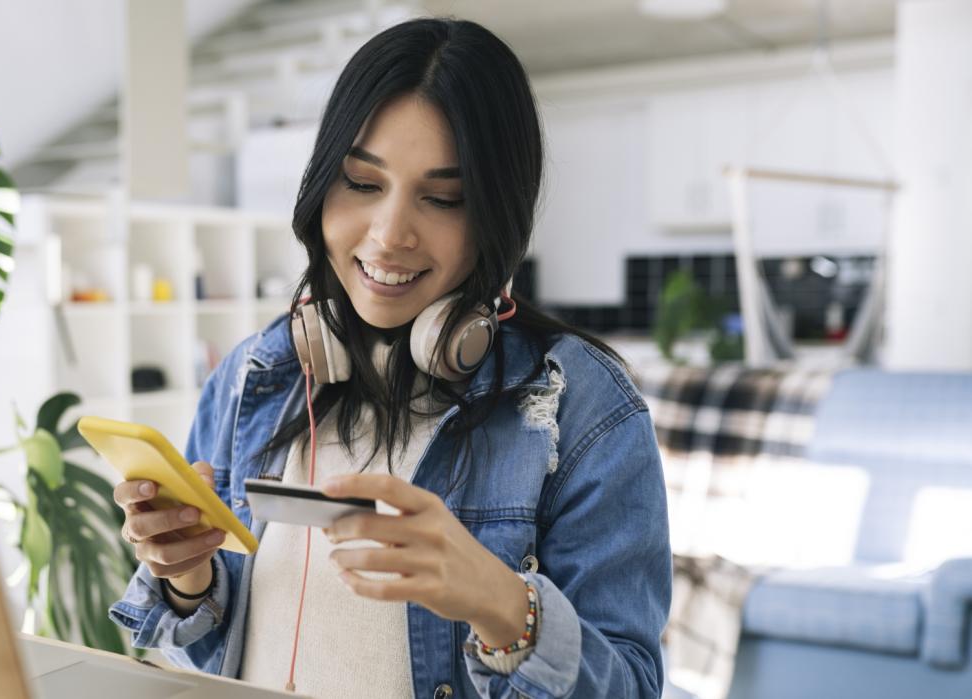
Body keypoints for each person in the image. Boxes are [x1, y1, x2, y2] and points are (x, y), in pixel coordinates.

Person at [109, 16, 670, 699]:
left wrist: (502, 605)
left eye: (443, 198)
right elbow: (220, 654)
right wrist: (187, 577)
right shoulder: (257, 373)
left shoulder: (581, 408)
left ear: (497, 214)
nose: (390, 234)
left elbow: (634, 687)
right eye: (362, 183)